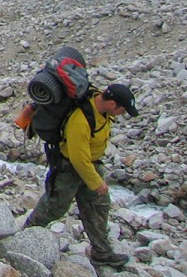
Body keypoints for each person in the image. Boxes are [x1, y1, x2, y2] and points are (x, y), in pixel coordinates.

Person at [25, 83, 139, 270]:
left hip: (90, 164)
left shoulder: (101, 110)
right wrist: (95, 182)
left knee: (98, 206)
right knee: (54, 206)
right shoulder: (81, 120)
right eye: (123, 110)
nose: (122, 114)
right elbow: (78, 158)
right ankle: (26, 236)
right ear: (112, 104)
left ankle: (102, 252)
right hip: (69, 168)